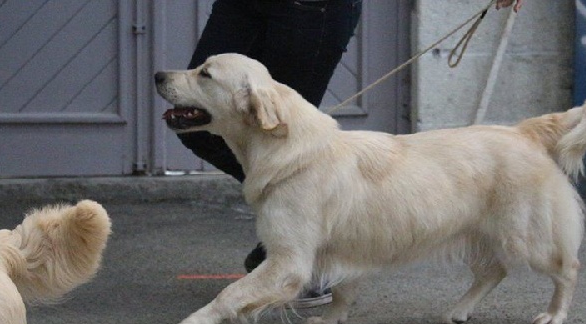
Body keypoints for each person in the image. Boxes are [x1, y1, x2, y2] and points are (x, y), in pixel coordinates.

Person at [177, 0, 522, 307]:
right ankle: (310, 235)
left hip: (312, 8)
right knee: (199, 126)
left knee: (280, 134)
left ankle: (306, 249)